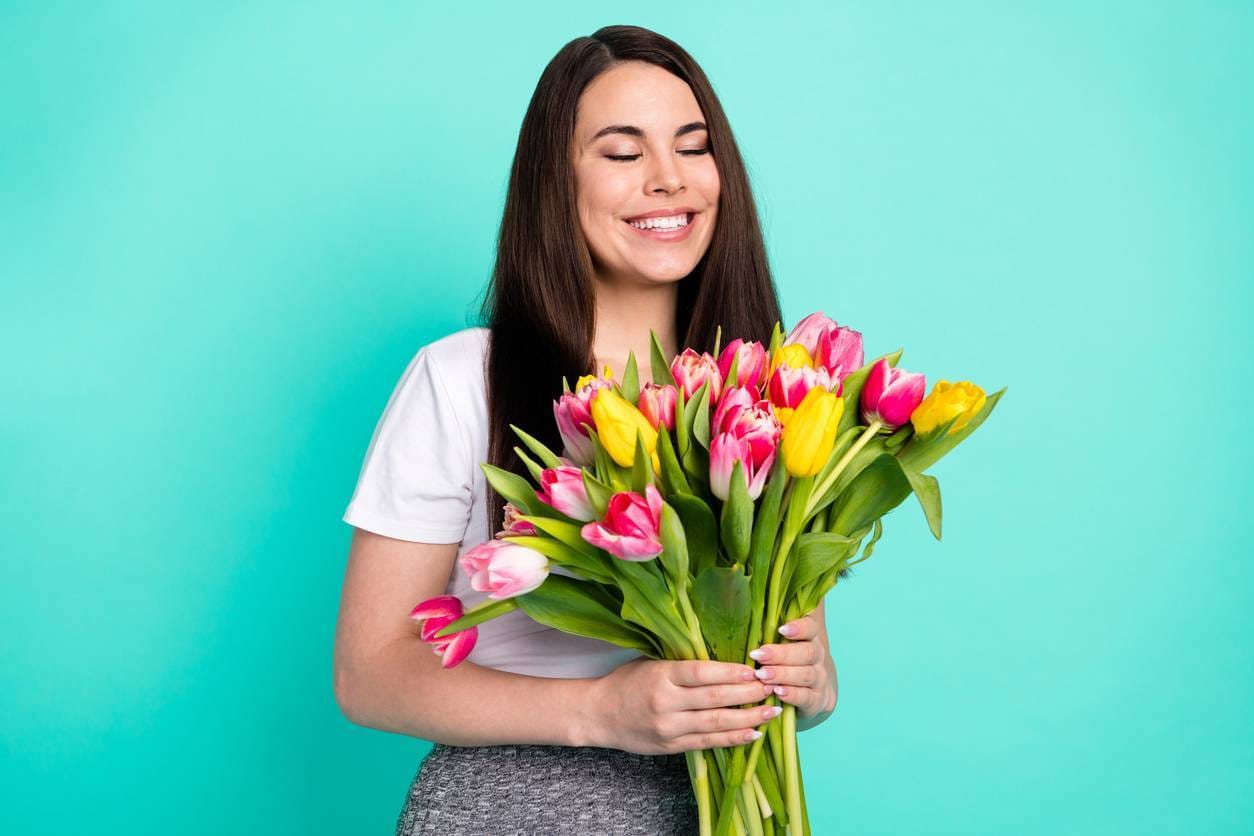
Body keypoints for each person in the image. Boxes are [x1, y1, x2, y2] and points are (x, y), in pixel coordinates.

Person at [333, 24, 839, 835]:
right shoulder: (465, 379)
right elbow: (369, 674)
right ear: (555, 181)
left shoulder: (765, 393)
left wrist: (809, 683)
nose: (668, 180)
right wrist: (600, 711)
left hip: (729, 812)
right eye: (621, 152)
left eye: (693, 146)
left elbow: (779, 664)